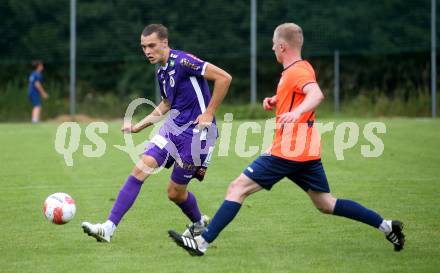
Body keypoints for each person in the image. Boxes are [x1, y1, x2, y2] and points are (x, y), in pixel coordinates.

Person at [168, 22, 405, 256]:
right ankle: (387, 226)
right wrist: (278, 102)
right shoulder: (301, 68)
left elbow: (316, 94)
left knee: (237, 188)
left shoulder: (297, 71)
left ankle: (202, 242)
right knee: (325, 203)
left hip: (289, 149)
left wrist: (297, 112)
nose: (272, 49)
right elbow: (300, 94)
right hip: (306, 149)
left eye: (273, 45)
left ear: (282, 46)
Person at [81, 24, 232, 242]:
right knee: (139, 169)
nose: (147, 51)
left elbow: (224, 78)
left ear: (165, 43)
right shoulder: (161, 71)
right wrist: (137, 127)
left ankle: (198, 224)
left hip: (197, 135)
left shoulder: (183, 61)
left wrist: (209, 113)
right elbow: (166, 104)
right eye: (143, 47)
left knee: (175, 193)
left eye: (151, 45)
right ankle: (108, 228)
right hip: (173, 129)